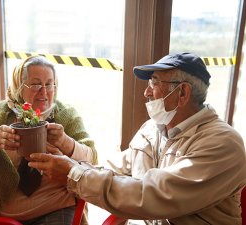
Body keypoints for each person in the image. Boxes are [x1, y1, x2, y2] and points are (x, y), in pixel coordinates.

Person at [28, 52, 246, 225]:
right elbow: (115, 168)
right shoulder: (152, 129)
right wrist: (71, 163)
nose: (146, 93)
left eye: (154, 83)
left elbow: (155, 197)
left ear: (182, 93)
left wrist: (73, 174)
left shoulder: (223, 145)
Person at [0, 55, 97, 225]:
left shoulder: (66, 116)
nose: (44, 91)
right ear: (19, 87)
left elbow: (91, 159)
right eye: (35, 84)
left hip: (53, 207)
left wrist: (65, 142)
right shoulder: (1, 114)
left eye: (49, 84)